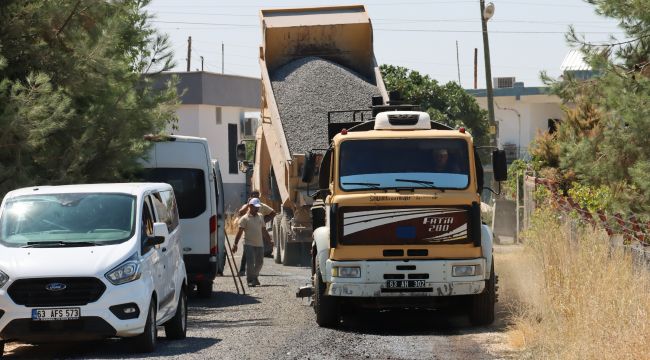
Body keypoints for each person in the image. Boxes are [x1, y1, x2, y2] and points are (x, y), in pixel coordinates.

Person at [232, 198, 274, 287]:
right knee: (250, 263)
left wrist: (269, 240)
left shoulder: (260, 216)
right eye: (255, 207)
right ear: (250, 206)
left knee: (260, 262)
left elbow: (263, 230)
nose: (257, 209)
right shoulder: (244, 219)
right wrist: (235, 244)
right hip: (248, 243)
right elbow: (239, 233)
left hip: (259, 244)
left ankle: (254, 277)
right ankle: (250, 280)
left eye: (258, 207)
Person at [237, 190, 276, 276]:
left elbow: (273, 213)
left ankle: (254, 273)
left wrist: (264, 221)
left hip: (258, 232)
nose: (256, 197)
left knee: (258, 254)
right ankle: (242, 270)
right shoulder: (247, 206)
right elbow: (240, 213)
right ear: (250, 197)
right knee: (246, 253)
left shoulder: (262, 206)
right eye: (254, 195)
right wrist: (248, 205)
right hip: (248, 233)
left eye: (257, 195)